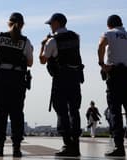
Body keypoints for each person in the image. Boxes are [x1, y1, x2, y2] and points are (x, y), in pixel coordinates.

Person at [98, 14, 127, 157]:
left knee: (115, 113)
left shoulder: (109, 34)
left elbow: (101, 46)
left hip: (115, 77)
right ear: (121, 24)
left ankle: (119, 147)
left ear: (109, 25)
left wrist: (102, 64)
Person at [0, 12, 33, 157]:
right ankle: (16, 149)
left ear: (8, 23)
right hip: (17, 79)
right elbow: (30, 62)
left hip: (0, 79)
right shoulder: (26, 42)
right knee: (17, 114)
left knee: (0, 114)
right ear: (23, 25)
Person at [39, 13, 84, 157]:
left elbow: (43, 60)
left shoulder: (52, 41)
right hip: (75, 77)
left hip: (61, 78)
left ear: (57, 23)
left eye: (51, 24)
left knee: (61, 111)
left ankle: (67, 144)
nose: (50, 27)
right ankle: (75, 144)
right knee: (74, 110)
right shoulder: (76, 37)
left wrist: (42, 44)